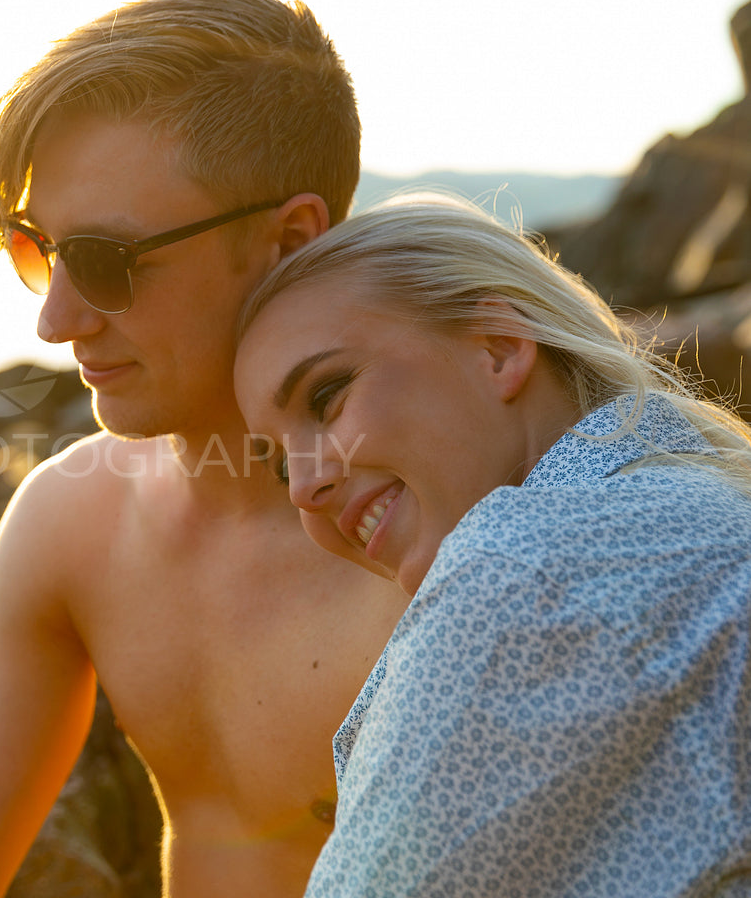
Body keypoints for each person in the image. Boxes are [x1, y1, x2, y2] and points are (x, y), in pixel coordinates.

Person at [0, 0, 410, 898]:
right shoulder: (76, 521)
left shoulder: (444, 543)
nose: (55, 322)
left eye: (106, 263)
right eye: (39, 250)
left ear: (289, 240)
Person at [233, 194, 751, 896]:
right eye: (282, 463)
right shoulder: (698, 500)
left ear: (500, 346)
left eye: (327, 397)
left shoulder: (523, 573)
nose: (303, 489)